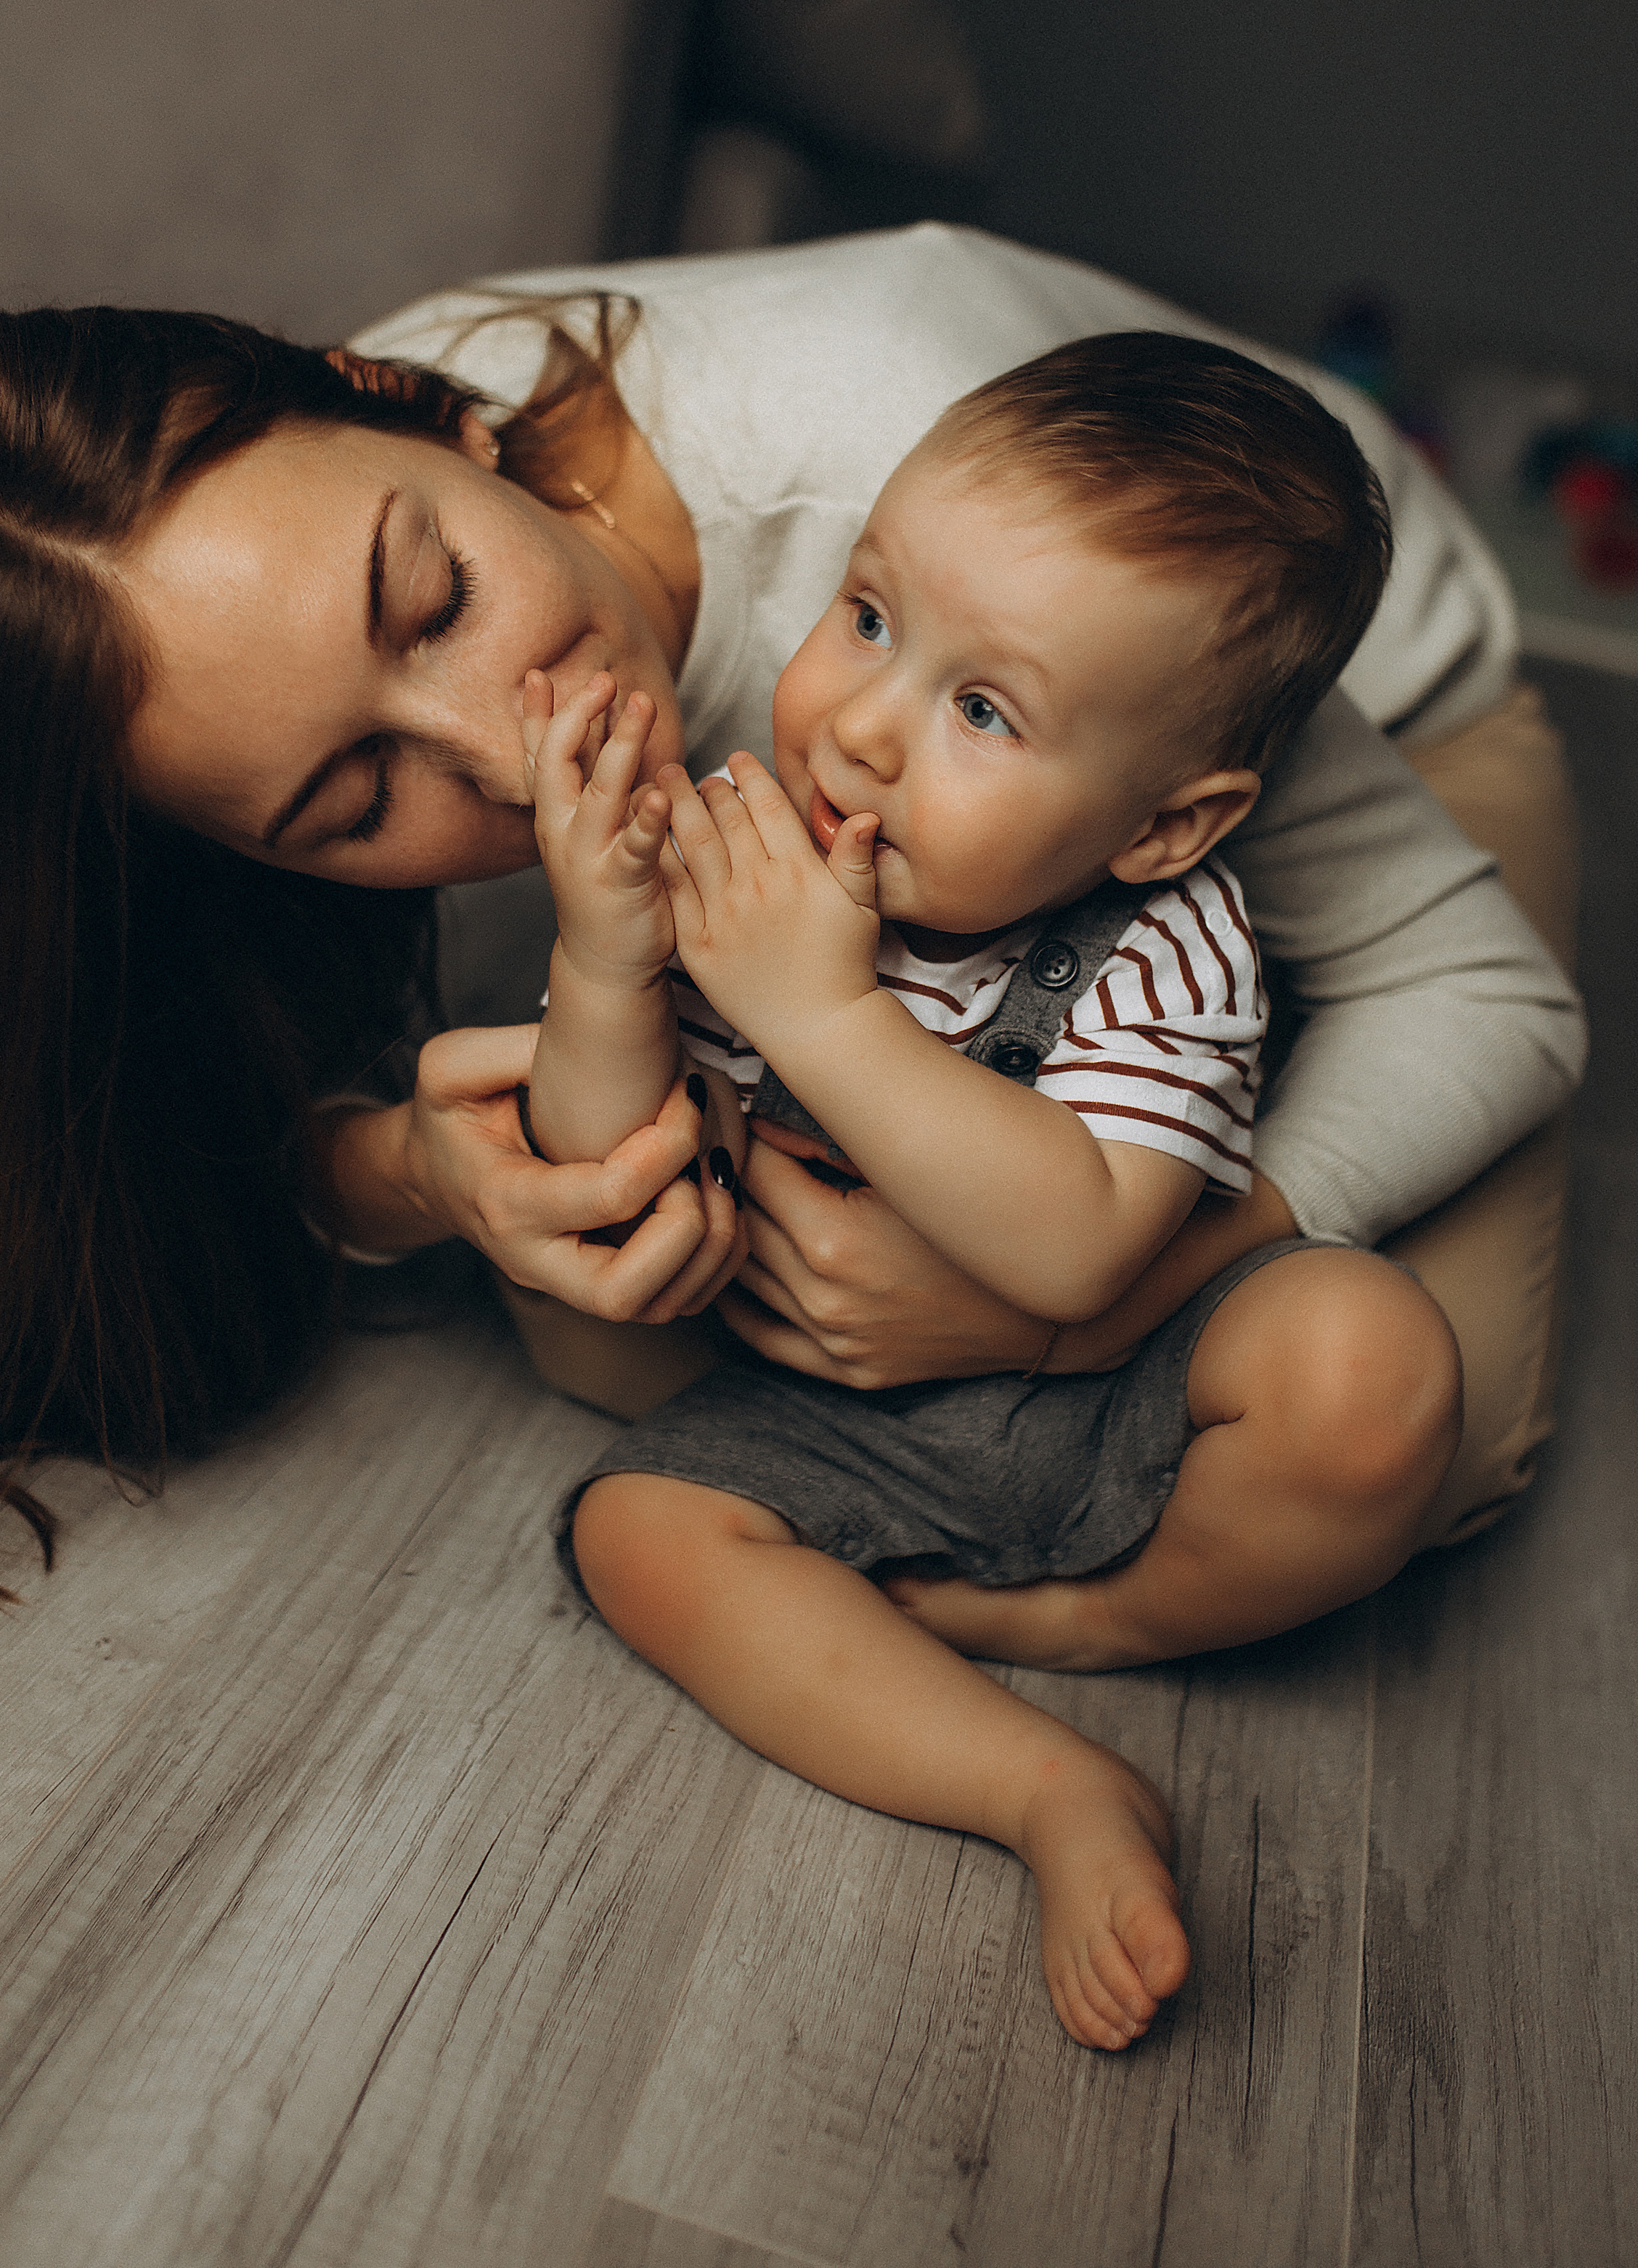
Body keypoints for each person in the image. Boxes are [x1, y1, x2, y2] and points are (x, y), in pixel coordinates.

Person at [0, 228, 1583, 1638]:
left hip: (1327, 703)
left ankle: (1056, 1588)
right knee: (595, 1313)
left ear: (421, 406)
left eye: (439, 601)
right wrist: (422, 1171)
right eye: (349, 807)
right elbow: (224, 1123)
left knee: (1431, 1434)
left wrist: (1094, 1299)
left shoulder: (946, 528)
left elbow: (1483, 994)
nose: (510, 751)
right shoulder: (220, 653)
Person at [521, 331, 1446, 2049]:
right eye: (868, 617)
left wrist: (819, 1008)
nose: (859, 731)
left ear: (1166, 827)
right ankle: (1034, 1784)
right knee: (633, 1532)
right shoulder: (743, 843)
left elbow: (1078, 1240)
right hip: (817, 1419)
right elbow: (593, 1165)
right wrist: (600, 961)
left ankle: (1099, 1619)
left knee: (1372, 1365)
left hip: (1125, 1411)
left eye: (981, 709)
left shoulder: (1170, 940)